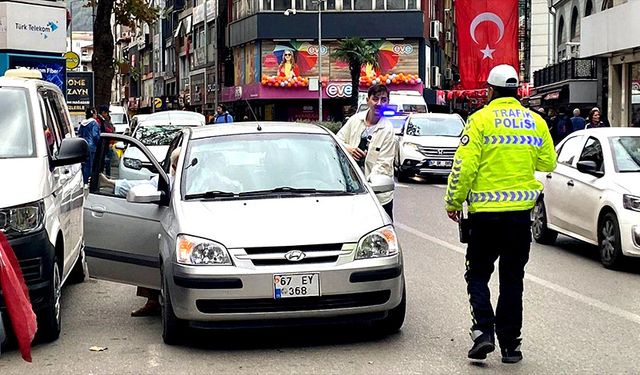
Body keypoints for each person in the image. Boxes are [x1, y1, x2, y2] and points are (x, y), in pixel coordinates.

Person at [444, 64, 557, 363]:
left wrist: (453, 201)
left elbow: (464, 166)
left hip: (485, 217)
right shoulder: (536, 122)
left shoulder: (479, 120)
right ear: (518, 90)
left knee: (478, 274)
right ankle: (511, 346)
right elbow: (548, 162)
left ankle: (482, 332)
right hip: (520, 216)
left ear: (490, 91)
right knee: (512, 278)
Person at [99, 147, 181, 316]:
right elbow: (139, 186)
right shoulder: (166, 180)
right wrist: (110, 183)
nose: (176, 168)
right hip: (165, 225)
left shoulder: (203, 179)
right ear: (172, 166)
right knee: (148, 250)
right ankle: (152, 301)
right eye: (175, 165)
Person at [336, 84, 396, 220]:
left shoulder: (388, 130)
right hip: (349, 191)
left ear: (388, 103)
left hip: (377, 196)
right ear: (368, 100)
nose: (379, 103)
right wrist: (348, 149)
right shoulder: (355, 120)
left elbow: (383, 165)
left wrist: (366, 187)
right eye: (375, 99)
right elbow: (336, 142)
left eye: (384, 100)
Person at [77, 107, 101, 184]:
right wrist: (100, 143)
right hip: (92, 147)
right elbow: (95, 135)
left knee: (84, 165)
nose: (96, 115)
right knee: (90, 165)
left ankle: (84, 181)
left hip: (82, 147)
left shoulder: (82, 123)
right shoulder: (94, 123)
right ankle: (89, 182)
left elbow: (79, 134)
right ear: (93, 114)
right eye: (96, 113)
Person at [97, 105, 115, 176]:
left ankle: (107, 175)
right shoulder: (100, 121)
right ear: (103, 112)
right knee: (105, 160)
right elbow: (107, 130)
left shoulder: (106, 120)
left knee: (107, 161)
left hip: (108, 143)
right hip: (104, 144)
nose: (107, 114)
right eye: (106, 113)